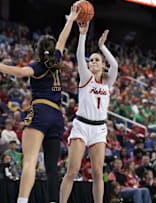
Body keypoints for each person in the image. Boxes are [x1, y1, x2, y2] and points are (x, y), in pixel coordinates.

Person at [0, 4, 79, 203]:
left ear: (38, 51)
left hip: (40, 111)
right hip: (58, 117)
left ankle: (22, 201)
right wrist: (70, 20)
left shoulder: (37, 66)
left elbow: (19, 72)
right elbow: (62, 40)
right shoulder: (56, 59)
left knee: (30, 160)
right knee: (51, 167)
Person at [60, 19, 118, 203]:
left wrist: (102, 46)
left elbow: (115, 66)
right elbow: (79, 55)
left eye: (96, 60)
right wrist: (83, 34)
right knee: (73, 170)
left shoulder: (108, 82)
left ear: (102, 65)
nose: (92, 62)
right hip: (81, 126)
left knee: (98, 172)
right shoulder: (86, 78)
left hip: (99, 129)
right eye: (91, 60)